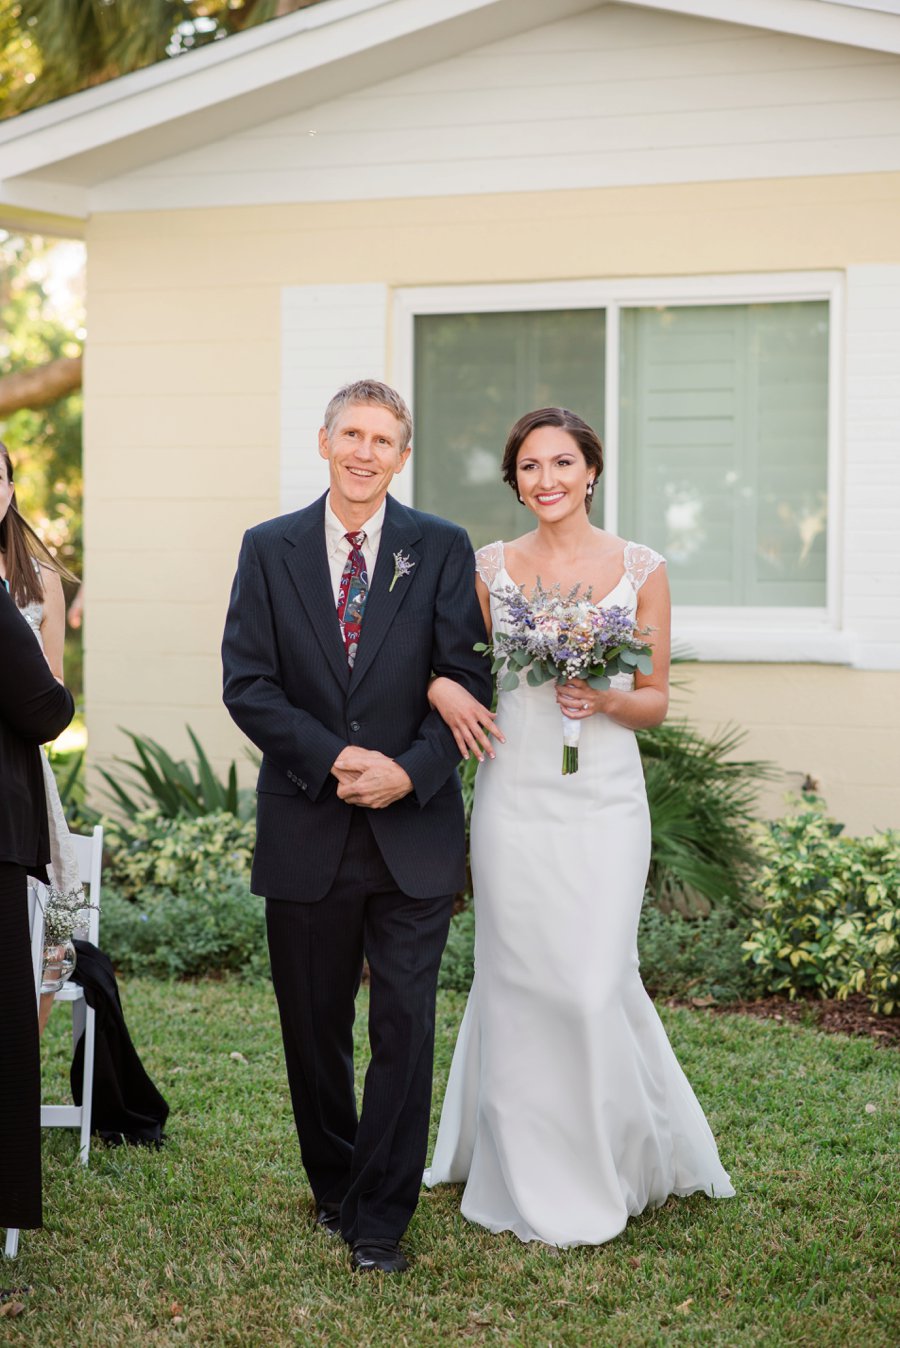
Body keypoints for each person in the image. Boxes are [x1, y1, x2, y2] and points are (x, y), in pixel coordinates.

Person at [424, 407, 734, 1247]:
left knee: (594, 979)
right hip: (514, 796)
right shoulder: (488, 568)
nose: (547, 479)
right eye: (530, 466)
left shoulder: (642, 568)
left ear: (591, 471)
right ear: (515, 480)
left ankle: (611, 1161)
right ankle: (521, 1169)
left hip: (603, 799)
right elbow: (447, 664)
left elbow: (655, 699)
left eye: (563, 462)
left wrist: (602, 698)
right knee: (520, 980)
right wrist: (444, 690)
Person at [221, 379, 491, 1274]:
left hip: (411, 834)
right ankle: (335, 1184)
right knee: (314, 1026)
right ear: (324, 441)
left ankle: (382, 1218)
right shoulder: (269, 549)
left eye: (384, 439)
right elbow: (248, 683)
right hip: (307, 823)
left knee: (405, 1028)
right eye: (352, 434)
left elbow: (467, 680)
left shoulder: (443, 549)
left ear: (403, 455)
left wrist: (406, 771)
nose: (366, 451)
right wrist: (337, 760)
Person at [0, 586, 75, 1234]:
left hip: (32, 780)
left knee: (67, 899)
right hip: (9, 776)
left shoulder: (40, 576)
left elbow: (54, 667)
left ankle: (59, 971)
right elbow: (48, 701)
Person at [0, 443, 82, 1033]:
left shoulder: (41, 579)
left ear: (10, 489)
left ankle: (20, 1063)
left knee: (53, 916)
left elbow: (53, 689)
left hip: (20, 771)